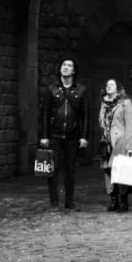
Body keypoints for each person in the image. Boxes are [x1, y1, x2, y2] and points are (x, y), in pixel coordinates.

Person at [39, 58, 89, 211]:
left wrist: (84, 136)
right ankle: (54, 202)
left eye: (69, 66)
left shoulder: (81, 90)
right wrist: (44, 136)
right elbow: (45, 113)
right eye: (64, 65)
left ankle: (69, 202)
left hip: (73, 136)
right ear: (60, 69)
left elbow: (85, 115)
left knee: (70, 169)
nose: (66, 68)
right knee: (52, 169)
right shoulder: (51, 89)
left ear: (74, 71)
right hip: (54, 135)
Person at [99, 79, 132, 213]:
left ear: (118, 88)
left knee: (121, 172)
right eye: (107, 84)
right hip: (107, 143)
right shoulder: (104, 104)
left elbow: (130, 125)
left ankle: (123, 201)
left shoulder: (125, 104)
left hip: (121, 142)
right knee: (108, 172)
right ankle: (113, 201)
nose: (108, 86)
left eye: (112, 84)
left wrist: (129, 146)